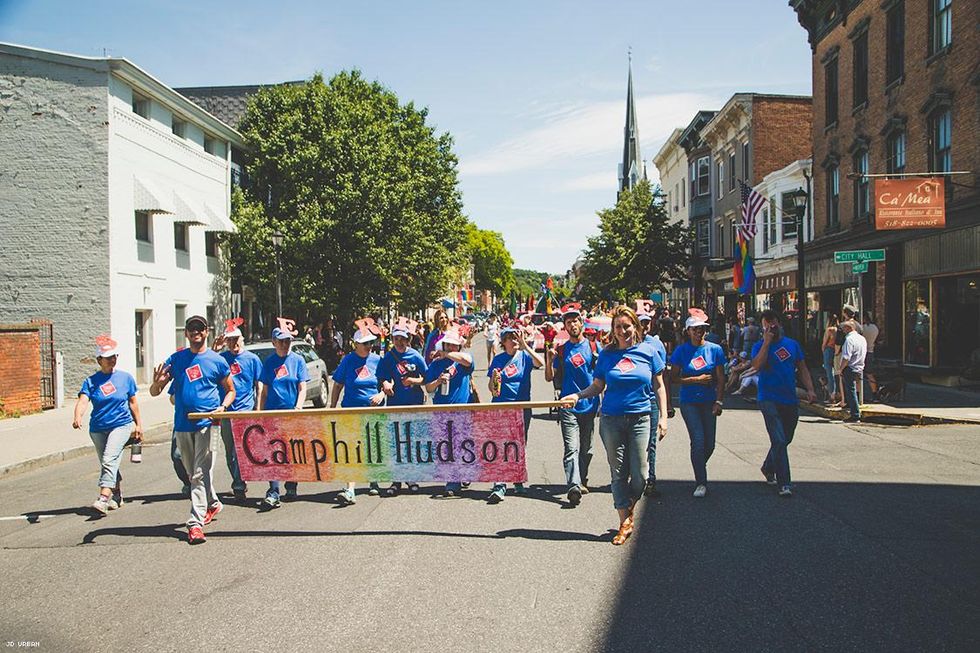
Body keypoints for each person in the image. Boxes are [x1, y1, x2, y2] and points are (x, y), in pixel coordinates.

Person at [560, 306, 667, 545]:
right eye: (618, 327)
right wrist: (577, 396)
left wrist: (663, 417)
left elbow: (659, 385)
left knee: (640, 474)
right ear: (613, 330)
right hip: (611, 419)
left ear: (635, 327)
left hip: (640, 418)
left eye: (626, 326)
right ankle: (624, 521)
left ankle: (629, 506)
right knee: (618, 472)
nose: (622, 331)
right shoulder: (607, 355)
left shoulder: (649, 351)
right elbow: (597, 386)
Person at [150, 315, 235, 545]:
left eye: (200, 328)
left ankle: (195, 523)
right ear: (186, 333)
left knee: (198, 472)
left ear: (206, 331)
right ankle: (213, 502)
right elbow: (155, 392)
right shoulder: (177, 359)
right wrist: (157, 383)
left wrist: (222, 407)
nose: (196, 332)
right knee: (192, 473)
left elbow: (230, 390)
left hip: (209, 424)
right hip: (182, 425)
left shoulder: (217, 361)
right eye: (191, 328)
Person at [73, 335, 143, 515]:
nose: (112, 360)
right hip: (97, 428)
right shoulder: (91, 381)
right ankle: (117, 495)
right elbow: (83, 401)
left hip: (121, 425)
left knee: (109, 459)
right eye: (108, 358)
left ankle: (103, 498)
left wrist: (138, 425)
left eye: (114, 357)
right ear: (99, 360)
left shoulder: (125, 378)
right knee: (109, 462)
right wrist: (78, 416)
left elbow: (133, 402)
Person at [750, 310, 817, 497]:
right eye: (766, 325)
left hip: (789, 397)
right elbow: (756, 366)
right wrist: (766, 343)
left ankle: (768, 466)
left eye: (773, 323)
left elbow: (802, 368)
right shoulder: (759, 346)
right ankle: (784, 483)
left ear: (779, 323)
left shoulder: (792, 345)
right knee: (778, 439)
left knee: (786, 438)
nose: (770, 328)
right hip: (768, 398)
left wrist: (810, 389)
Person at [545, 305, 598, 506]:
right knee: (571, 448)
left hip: (590, 405)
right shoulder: (561, 350)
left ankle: (582, 478)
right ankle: (574, 485)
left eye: (575, 321)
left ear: (581, 323)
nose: (573, 325)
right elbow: (549, 377)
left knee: (587, 449)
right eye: (569, 322)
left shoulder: (593, 347)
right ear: (565, 327)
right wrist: (549, 360)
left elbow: (602, 375)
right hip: (567, 405)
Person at [485, 324, 544, 503]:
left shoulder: (524, 356)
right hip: (502, 407)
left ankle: (517, 479)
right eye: (510, 337)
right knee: (501, 445)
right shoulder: (498, 359)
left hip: (522, 407)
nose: (515, 340)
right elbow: (492, 389)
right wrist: (494, 380)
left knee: (519, 445)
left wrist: (526, 347)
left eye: (516, 336)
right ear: (503, 342)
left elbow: (540, 363)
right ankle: (500, 484)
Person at [330, 320, 386, 504]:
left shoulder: (377, 360)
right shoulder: (348, 361)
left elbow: (388, 381)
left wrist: (381, 394)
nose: (369, 346)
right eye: (365, 343)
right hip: (351, 410)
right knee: (351, 450)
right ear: (356, 344)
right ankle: (350, 489)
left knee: (372, 446)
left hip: (373, 411)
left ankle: (374, 481)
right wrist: (332, 408)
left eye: (370, 343)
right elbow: (337, 385)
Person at [670, 313, 726, 498]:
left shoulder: (715, 350)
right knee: (698, 440)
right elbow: (673, 378)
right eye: (695, 329)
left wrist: (719, 401)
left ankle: (698, 464)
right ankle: (701, 482)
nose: (699, 332)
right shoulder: (681, 351)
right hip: (689, 402)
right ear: (688, 331)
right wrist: (696, 379)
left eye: (702, 329)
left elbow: (721, 378)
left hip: (709, 401)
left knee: (710, 444)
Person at [259, 324, 309, 509]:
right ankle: (273, 491)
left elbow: (302, 387)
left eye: (287, 341)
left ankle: (291, 485)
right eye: (281, 341)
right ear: (274, 342)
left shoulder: (298, 361)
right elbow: (264, 391)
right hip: (272, 413)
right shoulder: (269, 362)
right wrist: (259, 413)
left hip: (291, 413)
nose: (284, 344)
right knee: (273, 453)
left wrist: (298, 407)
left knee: (291, 451)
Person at [378, 318, 428, 495]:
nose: (399, 342)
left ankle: (412, 477)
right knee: (397, 442)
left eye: (403, 338)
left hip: (414, 402)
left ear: (408, 339)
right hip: (395, 404)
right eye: (396, 338)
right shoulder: (388, 358)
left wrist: (413, 380)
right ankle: (396, 480)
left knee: (412, 441)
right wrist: (385, 384)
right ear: (392, 339)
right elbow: (381, 377)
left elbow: (427, 378)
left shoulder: (415, 356)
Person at [215, 320, 262, 502]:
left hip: (245, 409)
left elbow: (259, 384)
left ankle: (240, 483)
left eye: (236, 339)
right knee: (230, 451)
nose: (233, 343)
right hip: (227, 410)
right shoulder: (221, 359)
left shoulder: (252, 359)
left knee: (241, 449)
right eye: (230, 340)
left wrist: (258, 408)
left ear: (242, 339)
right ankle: (239, 481)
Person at [423, 328, 474, 497]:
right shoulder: (436, 365)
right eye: (448, 345)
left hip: (462, 409)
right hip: (442, 409)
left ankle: (463, 473)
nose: (451, 347)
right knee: (447, 446)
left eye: (454, 345)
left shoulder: (462, 361)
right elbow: (428, 387)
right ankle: (453, 481)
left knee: (463, 443)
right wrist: (438, 381)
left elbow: (468, 361)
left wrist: (447, 354)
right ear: (443, 344)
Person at [638, 312, 669, 497]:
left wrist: (666, 408)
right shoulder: (628, 343)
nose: (645, 326)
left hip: (651, 399)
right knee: (634, 443)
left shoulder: (656, 344)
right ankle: (636, 477)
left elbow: (661, 377)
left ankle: (651, 478)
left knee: (651, 442)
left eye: (647, 322)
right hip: (634, 399)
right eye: (641, 322)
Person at [839, 319, 866, 423]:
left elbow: (846, 357)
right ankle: (852, 409)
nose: (843, 330)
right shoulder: (862, 338)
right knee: (853, 389)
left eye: (844, 328)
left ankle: (855, 414)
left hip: (850, 367)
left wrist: (841, 369)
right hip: (859, 367)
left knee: (851, 390)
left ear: (849, 328)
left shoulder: (849, 340)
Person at [821, 315, 840, 403]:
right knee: (836, 372)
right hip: (836, 350)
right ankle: (837, 392)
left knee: (829, 371)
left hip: (828, 349)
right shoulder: (838, 329)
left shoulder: (829, 330)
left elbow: (824, 342)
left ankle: (831, 393)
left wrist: (823, 349)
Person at [862, 312, 880, 395]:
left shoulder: (861, 328)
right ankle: (874, 393)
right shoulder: (875, 328)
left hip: (861, 352)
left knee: (857, 374)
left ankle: (858, 394)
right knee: (869, 373)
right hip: (870, 351)